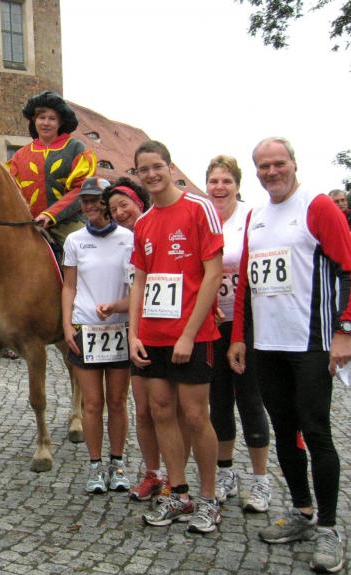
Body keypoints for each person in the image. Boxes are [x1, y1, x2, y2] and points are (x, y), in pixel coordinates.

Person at [228, 137, 351, 573]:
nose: (271, 172)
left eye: (278, 163)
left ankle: (329, 529)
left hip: (310, 343)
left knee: (317, 432)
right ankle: (302, 511)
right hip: (268, 345)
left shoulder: (318, 206)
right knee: (284, 431)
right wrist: (239, 337)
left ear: (293, 164)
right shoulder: (256, 216)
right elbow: (245, 283)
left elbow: (349, 268)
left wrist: (345, 331)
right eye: (263, 166)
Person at [128, 140, 223, 534]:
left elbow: (213, 273)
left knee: (196, 416)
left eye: (157, 167)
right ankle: (179, 493)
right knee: (162, 411)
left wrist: (188, 335)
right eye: (143, 169)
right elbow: (140, 281)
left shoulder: (198, 208)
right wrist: (134, 333)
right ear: (137, 175)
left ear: (170, 167)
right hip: (153, 335)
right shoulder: (143, 223)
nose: (151, 174)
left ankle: (209, 499)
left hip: (192, 335)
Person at [204, 155, 272, 511]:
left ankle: (261, 480)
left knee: (250, 399)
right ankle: (226, 471)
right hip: (212, 323)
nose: (219, 187)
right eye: (214, 181)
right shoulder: (202, 218)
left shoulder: (251, 217)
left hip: (247, 322)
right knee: (218, 401)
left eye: (226, 181)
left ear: (237, 185)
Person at [62, 177, 133, 494]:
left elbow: (135, 285)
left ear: (106, 202)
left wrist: (122, 310)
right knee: (91, 403)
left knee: (117, 402)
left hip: (119, 328)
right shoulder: (74, 240)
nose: (89, 206)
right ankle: (94, 465)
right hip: (86, 328)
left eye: (95, 200)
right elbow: (69, 286)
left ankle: (117, 463)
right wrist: (66, 324)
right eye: (85, 200)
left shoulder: (128, 238)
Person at [102, 178, 165, 502]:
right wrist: (116, 307)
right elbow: (136, 293)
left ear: (139, 202)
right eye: (113, 209)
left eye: (123, 205)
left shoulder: (158, 231)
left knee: (172, 411)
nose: (119, 213)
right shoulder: (127, 243)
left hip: (168, 330)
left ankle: (178, 480)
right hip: (139, 332)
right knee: (143, 411)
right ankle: (153, 474)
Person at [8, 90, 97, 245]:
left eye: (52, 118)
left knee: (84, 248)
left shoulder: (77, 149)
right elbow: (12, 192)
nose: (46, 123)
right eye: (41, 118)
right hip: (28, 225)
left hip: (67, 223)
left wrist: (51, 215)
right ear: (34, 120)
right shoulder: (19, 156)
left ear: (60, 122)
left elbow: (81, 189)